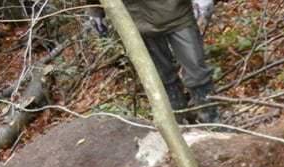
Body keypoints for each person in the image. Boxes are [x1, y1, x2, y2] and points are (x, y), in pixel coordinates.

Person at [89, 0, 219, 123]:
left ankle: (211, 120)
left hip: (177, 13)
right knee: (162, 76)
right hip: (136, 20)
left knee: (196, 71)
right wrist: (95, 10)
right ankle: (179, 120)